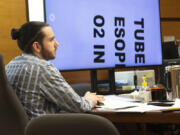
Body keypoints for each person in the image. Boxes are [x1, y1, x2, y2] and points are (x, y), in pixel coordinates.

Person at [5, 21, 104, 119]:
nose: (57, 44)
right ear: (37, 46)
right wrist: (89, 99)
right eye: (51, 40)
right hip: (43, 129)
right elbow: (78, 106)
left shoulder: (9, 66)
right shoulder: (43, 68)